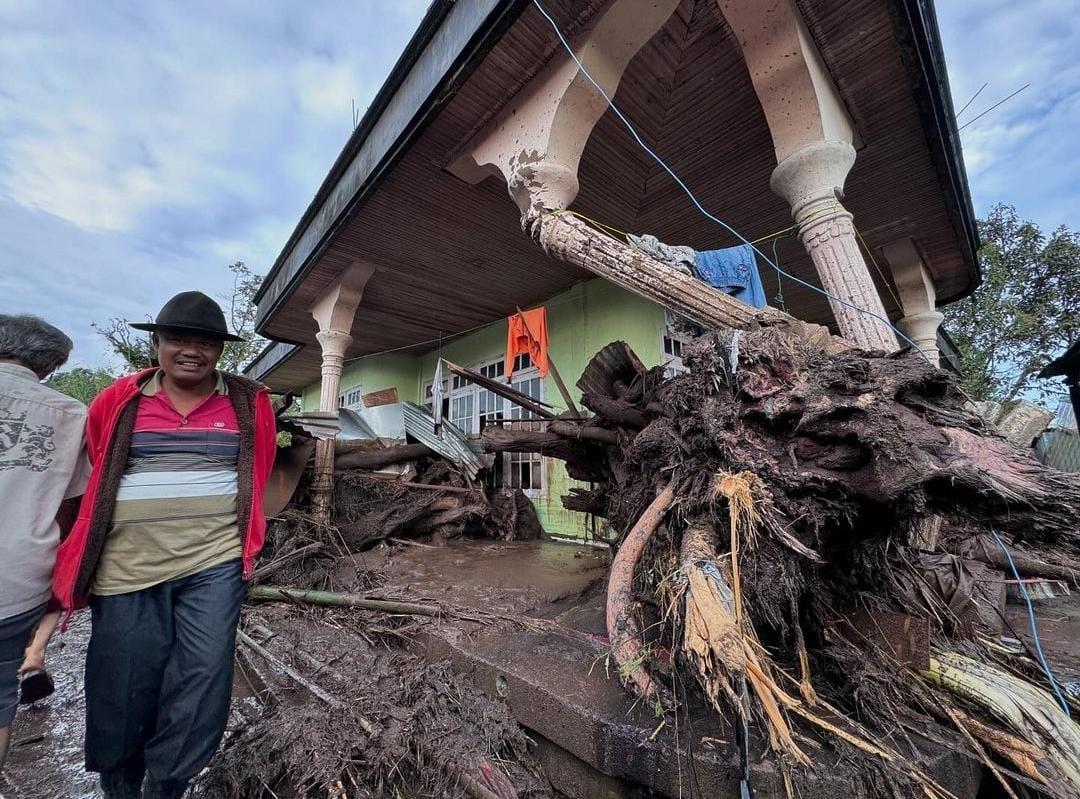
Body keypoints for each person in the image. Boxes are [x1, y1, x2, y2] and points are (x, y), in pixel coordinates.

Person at [52, 292, 278, 799]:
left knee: (203, 676)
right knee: (125, 681)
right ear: (157, 343)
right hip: (127, 563)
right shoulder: (119, 399)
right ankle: (122, 782)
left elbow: (258, 469)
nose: (191, 351)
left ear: (221, 350)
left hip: (214, 562)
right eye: (178, 339)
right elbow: (100, 461)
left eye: (206, 342)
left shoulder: (248, 401)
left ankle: (168, 783)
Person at [0, 315, 90, 775]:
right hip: (18, 574)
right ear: (49, 364)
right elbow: (71, 505)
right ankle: (34, 655)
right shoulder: (69, 413)